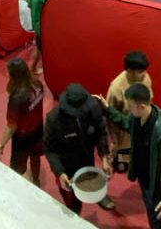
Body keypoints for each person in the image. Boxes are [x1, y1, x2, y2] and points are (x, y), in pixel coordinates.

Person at [95, 83, 161, 229]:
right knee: (151, 211)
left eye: (130, 106)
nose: (128, 109)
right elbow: (125, 123)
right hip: (144, 177)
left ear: (141, 106)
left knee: (158, 218)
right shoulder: (136, 118)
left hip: (156, 184)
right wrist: (108, 109)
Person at [43, 83, 113, 212]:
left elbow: (100, 132)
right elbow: (49, 149)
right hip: (66, 166)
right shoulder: (53, 119)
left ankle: (97, 194)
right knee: (73, 204)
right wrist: (60, 172)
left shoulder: (93, 108)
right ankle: (74, 209)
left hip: (86, 157)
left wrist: (104, 157)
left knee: (91, 178)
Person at [0, 58, 45, 186]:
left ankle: (28, 191)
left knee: (18, 169)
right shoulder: (38, 84)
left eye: (9, 72)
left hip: (23, 137)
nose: (7, 74)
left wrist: (1, 145)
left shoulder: (16, 98)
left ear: (15, 75)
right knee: (35, 156)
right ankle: (36, 181)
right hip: (38, 129)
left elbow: (11, 125)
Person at [106, 51, 154, 177]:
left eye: (144, 71)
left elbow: (149, 100)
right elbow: (110, 116)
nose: (144, 74)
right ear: (130, 71)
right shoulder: (116, 88)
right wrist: (114, 140)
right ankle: (120, 163)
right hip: (124, 131)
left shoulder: (145, 77)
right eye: (140, 72)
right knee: (122, 158)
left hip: (141, 126)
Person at [28, 0, 54, 76]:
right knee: (39, 49)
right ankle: (33, 68)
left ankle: (33, 65)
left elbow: (29, 5)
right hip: (41, 26)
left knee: (38, 46)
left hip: (34, 23)